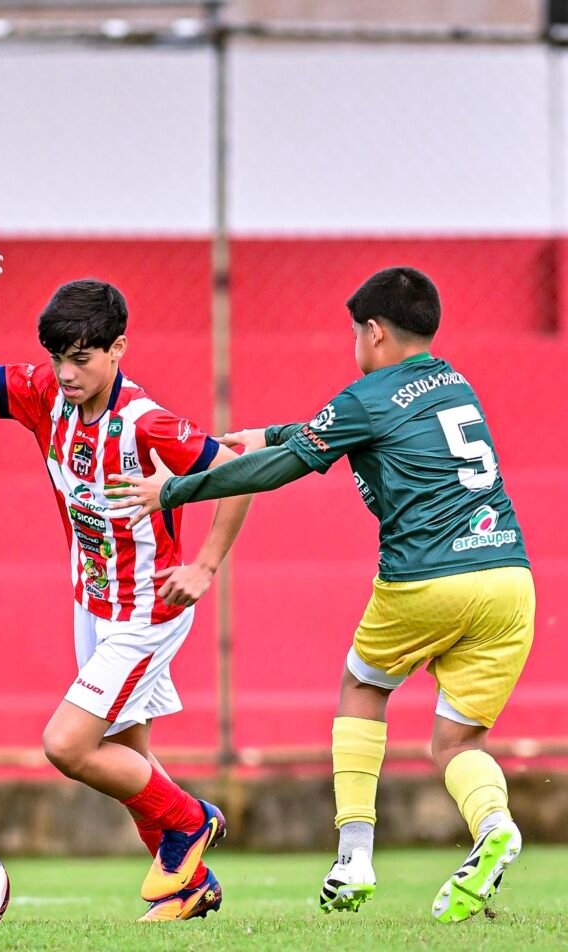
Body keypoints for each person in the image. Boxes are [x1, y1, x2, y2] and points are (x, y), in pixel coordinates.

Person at [107, 266, 533, 923]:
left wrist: (174, 490)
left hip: (427, 579)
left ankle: (354, 855)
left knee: (364, 689)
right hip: (509, 579)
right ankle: (494, 825)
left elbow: (290, 466)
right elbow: (342, 434)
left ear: (374, 331)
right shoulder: (456, 383)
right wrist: (274, 432)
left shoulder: (366, 395)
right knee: (457, 744)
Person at [0, 248, 253, 921]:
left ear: (118, 349)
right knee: (129, 764)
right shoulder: (45, 396)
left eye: (82, 357)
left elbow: (235, 471)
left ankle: (193, 822)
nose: (67, 372)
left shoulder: (144, 422)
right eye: (58, 357)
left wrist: (204, 567)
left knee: (67, 744)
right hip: (92, 607)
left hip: (146, 612)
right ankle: (190, 890)